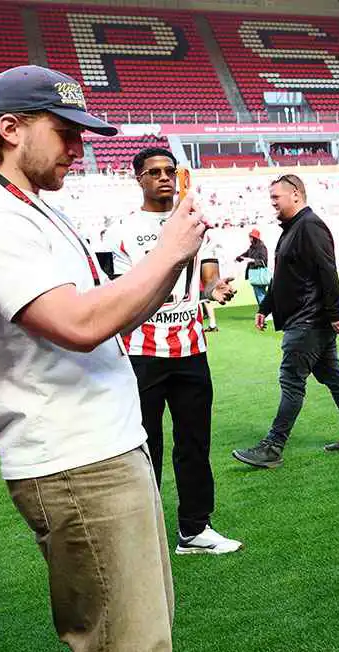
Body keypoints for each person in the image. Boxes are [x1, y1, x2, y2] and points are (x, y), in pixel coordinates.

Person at [0, 65, 207, 652]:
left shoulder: (27, 207)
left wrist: (170, 261)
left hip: (102, 444)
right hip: (74, 458)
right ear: (11, 129)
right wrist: (168, 250)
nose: (79, 150)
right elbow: (79, 324)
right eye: (65, 132)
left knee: (138, 644)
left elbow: (113, 315)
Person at [107, 147, 243, 555]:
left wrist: (214, 288)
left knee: (194, 444)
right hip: (141, 351)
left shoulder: (196, 225)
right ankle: (143, 535)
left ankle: (195, 530)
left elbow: (208, 276)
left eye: (169, 171)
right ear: (139, 178)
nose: (163, 177)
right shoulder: (120, 231)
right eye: (154, 172)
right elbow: (118, 291)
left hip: (191, 350)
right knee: (144, 447)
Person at [233, 174, 339, 468]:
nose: (272, 203)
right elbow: (284, 276)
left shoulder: (309, 226)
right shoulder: (293, 228)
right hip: (308, 319)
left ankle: (273, 447)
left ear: (296, 194)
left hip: (308, 320)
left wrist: (335, 314)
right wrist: (265, 307)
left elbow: (327, 270)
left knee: (291, 380)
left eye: (276, 197)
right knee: (332, 375)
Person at [237, 228, 271, 305]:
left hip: (260, 274)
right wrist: (239, 258)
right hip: (255, 274)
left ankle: (265, 309)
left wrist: (252, 260)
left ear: (255, 238)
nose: (249, 238)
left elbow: (264, 261)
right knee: (261, 293)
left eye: (251, 237)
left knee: (260, 294)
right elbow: (245, 254)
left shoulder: (262, 247)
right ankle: (268, 309)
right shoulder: (251, 248)